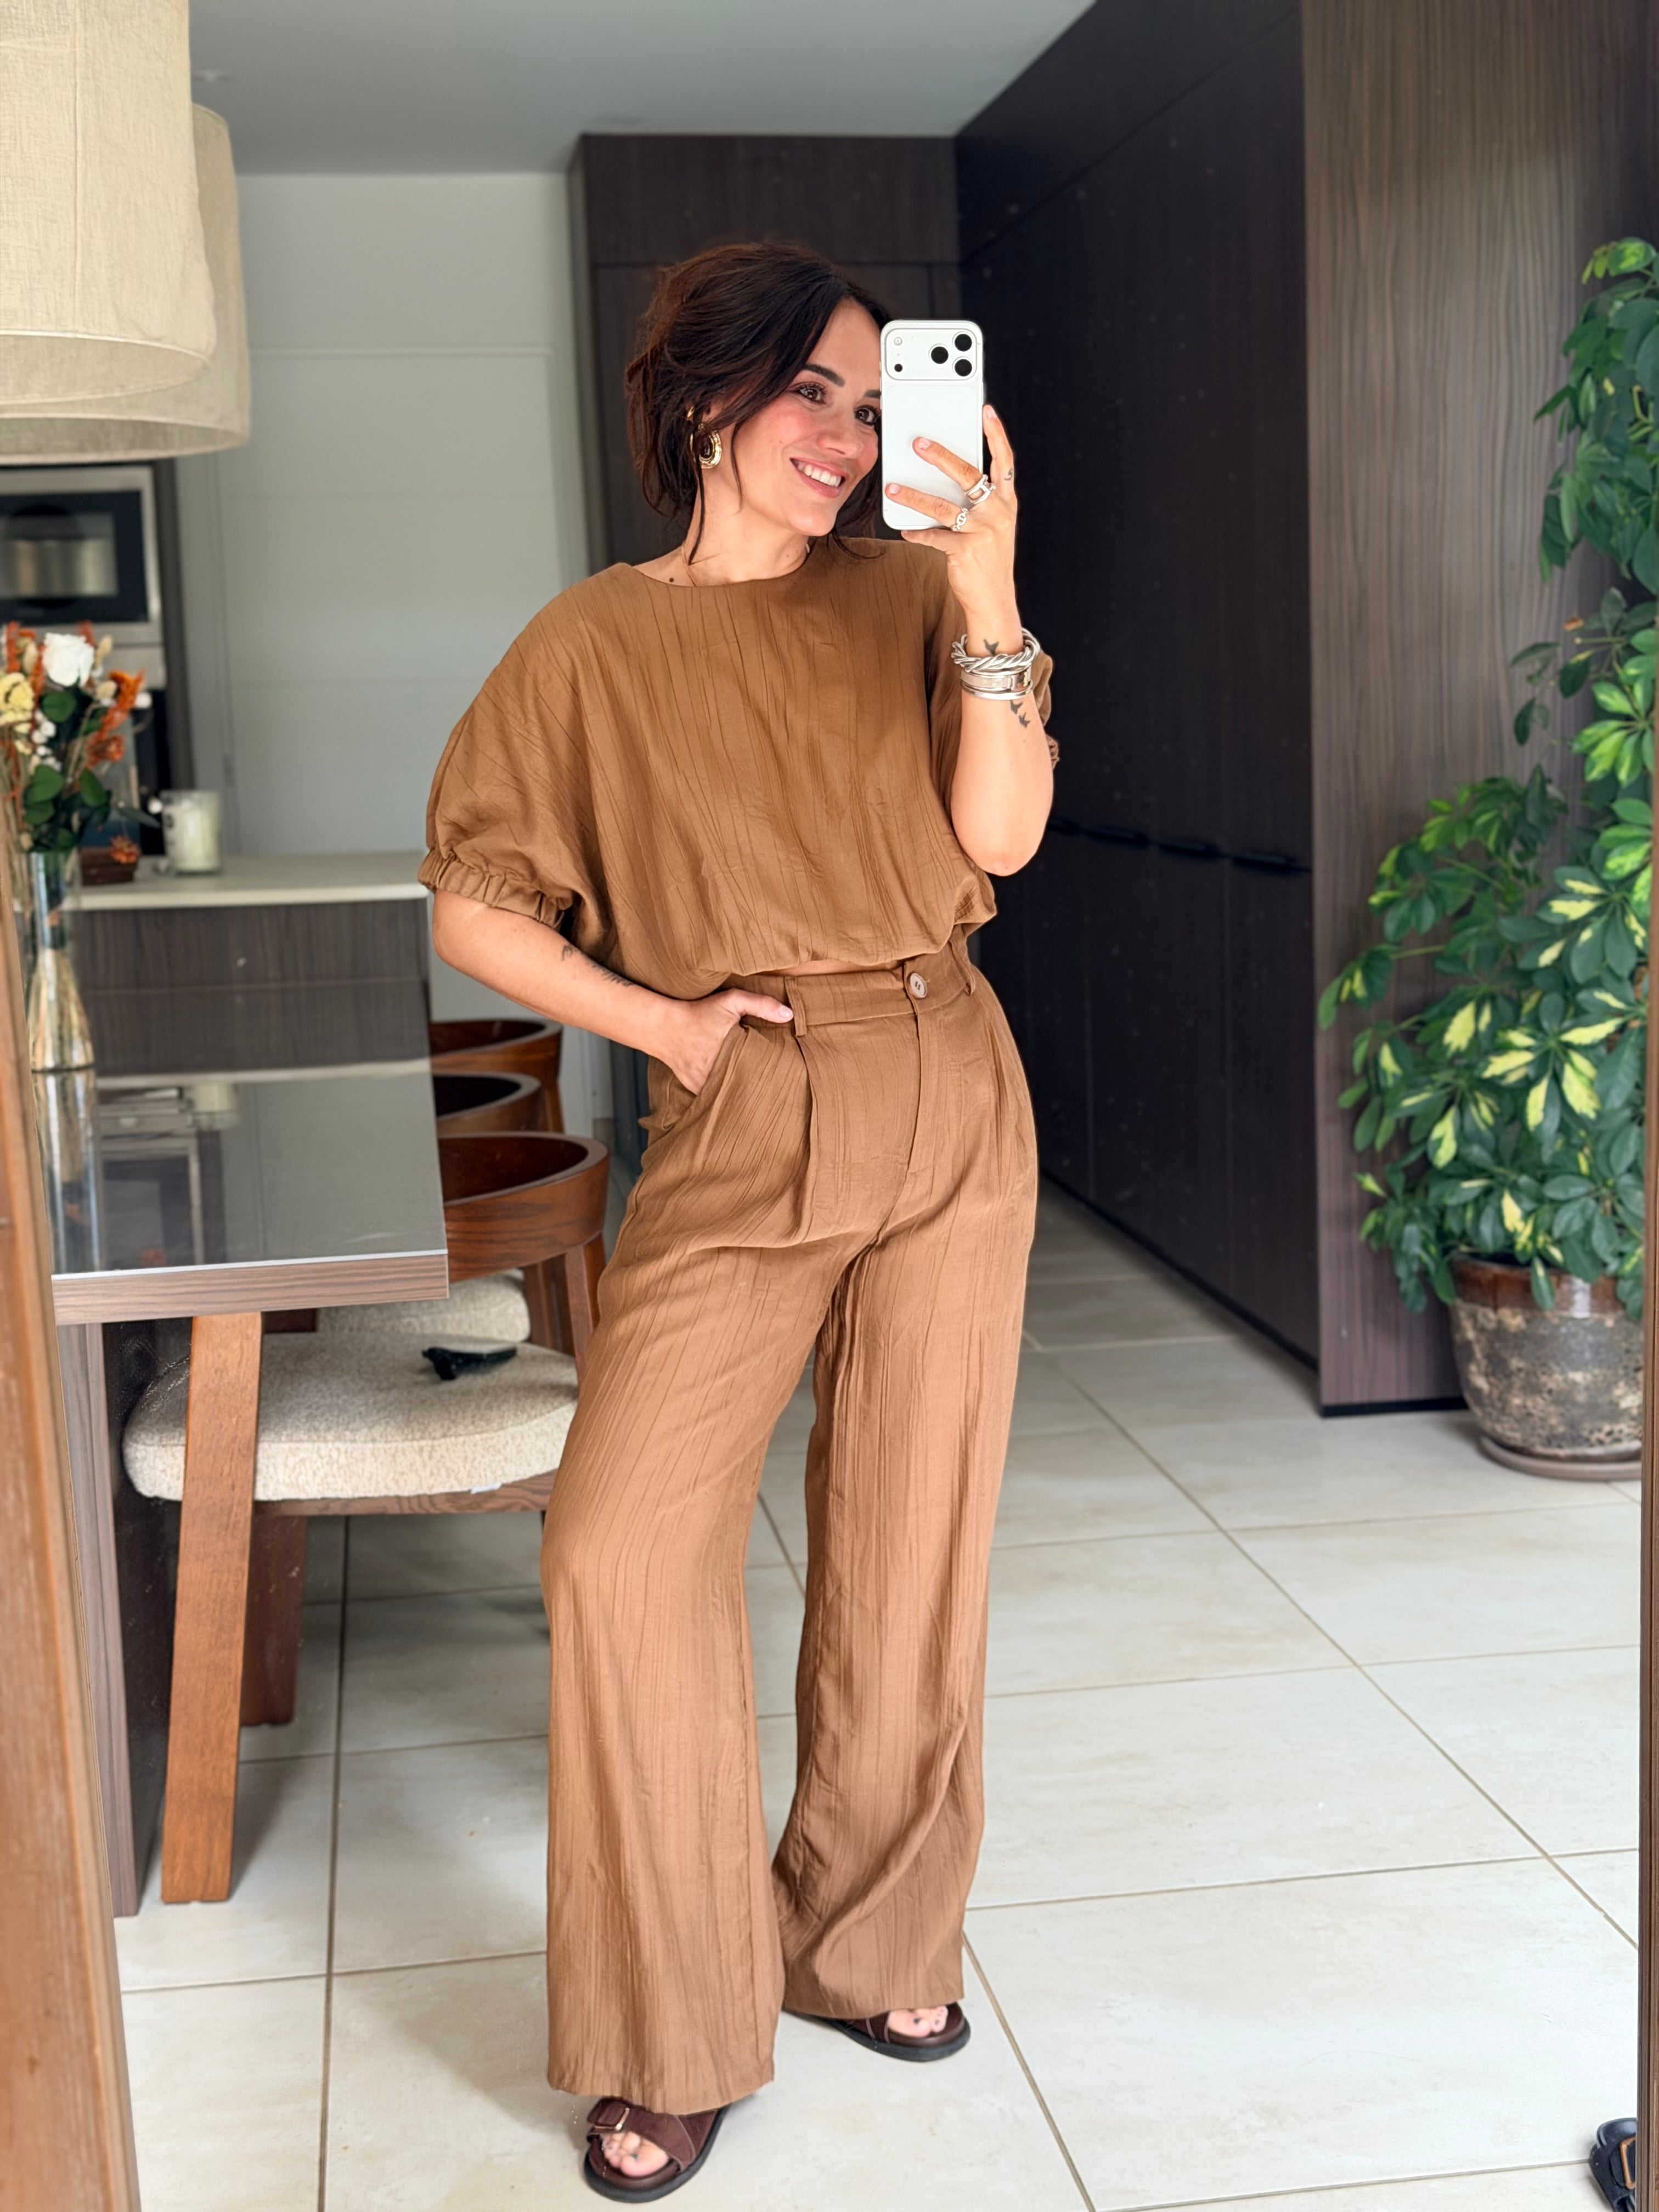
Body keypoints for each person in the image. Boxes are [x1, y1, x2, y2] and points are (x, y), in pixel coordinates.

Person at [422, 239, 1054, 2200]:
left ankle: (868, 1941)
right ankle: (675, 2021)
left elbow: (1002, 836)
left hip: (949, 1071)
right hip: (746, 1087)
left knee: (911, 1539)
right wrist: (664, 1024)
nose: (849, 440)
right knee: (619, 1551)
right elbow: (475, 907)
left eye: (873, 403)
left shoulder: (916, 594)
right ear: (705, 403)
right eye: (810, 396)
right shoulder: (589, 645)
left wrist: (988, 586)